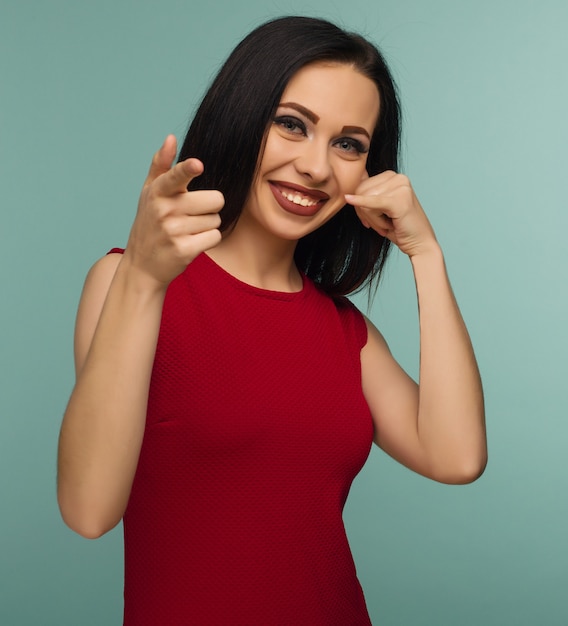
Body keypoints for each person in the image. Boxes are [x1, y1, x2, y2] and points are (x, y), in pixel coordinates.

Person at [57, 15, 486, 625]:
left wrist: (427, 255)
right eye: (292, 124)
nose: (316, 167)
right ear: (241, 118)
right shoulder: (129, 283)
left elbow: (457, 457)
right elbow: (88, 510)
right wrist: (146, 279)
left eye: (349, 144)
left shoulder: (346, 334)